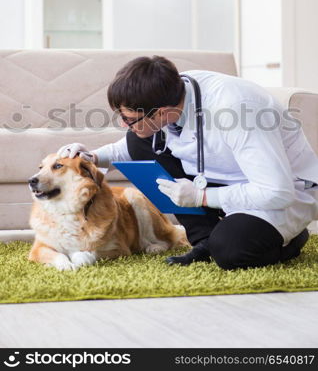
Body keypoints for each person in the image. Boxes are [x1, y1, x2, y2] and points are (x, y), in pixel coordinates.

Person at [57, 55, 318, 269]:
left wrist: (202, 197)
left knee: (231, 252)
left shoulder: (238, 110)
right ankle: (205, 241)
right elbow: (134, 145)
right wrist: (90, 157)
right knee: (139, 139)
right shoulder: (172, 94)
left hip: (281, 192)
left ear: (162, 113)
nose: (123, 124)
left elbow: (277, 192)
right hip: (226, 177)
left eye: (128, 118)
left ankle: (291, 239)